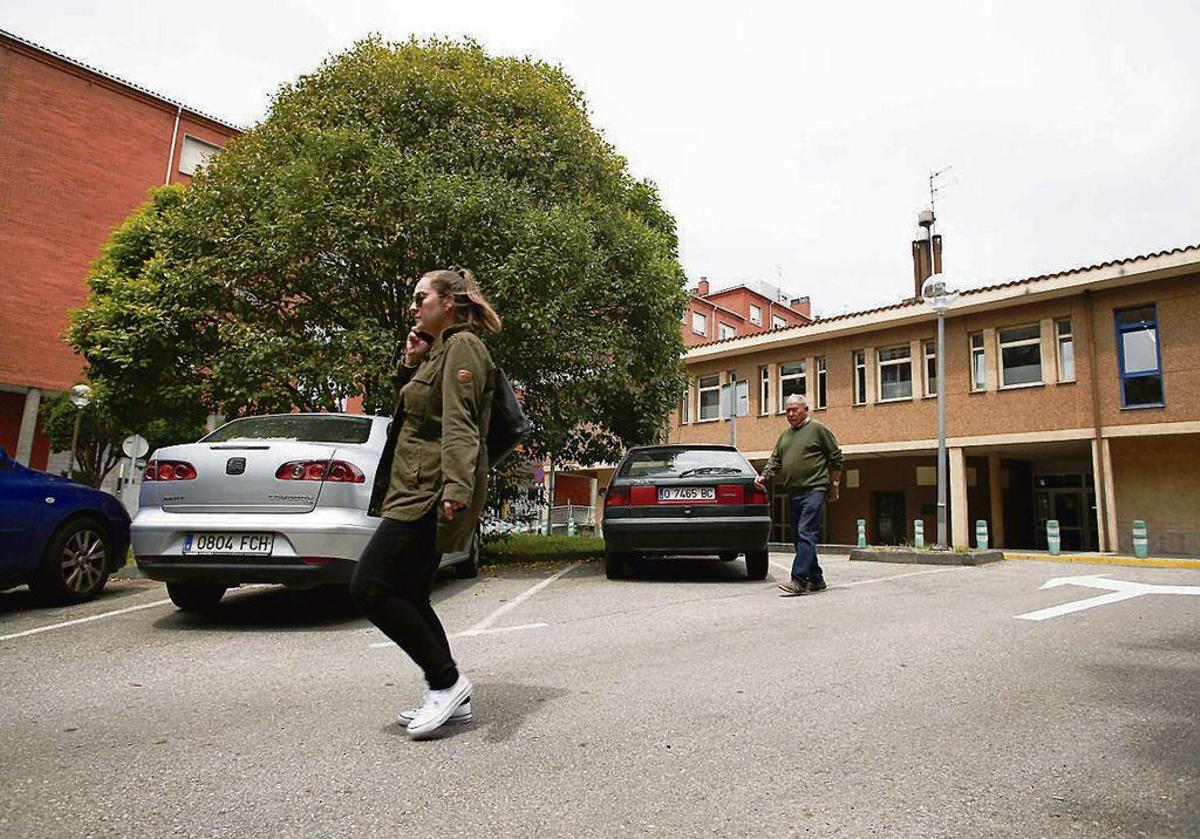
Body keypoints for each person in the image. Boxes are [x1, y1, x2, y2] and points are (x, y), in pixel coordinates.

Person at [351, 266, 500, 738]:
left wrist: (457, 489)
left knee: (369, 587)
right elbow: (417, 418)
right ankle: (448, 692)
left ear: (449, 303)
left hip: (428, 492)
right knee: (411, 593)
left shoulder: (463, 347)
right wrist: (411, 364)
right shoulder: (437, 353)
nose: (414, 306)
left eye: (422, 298)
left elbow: (461, 425)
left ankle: (446, 681)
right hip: (412, 488)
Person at [755, 393, 843, 596]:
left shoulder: (818, 429)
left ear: (805, 410)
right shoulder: (785, 436)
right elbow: (775, 460)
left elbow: (836, 457)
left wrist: (834, 484)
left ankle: (799, 580)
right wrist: (764, 476)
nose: (791, 413)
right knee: (799, 537)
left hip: (814, 489)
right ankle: (817, 579)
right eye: (788, 410)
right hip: (793, 491)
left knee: (806, 533)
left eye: (795, 409)